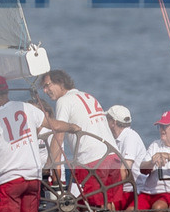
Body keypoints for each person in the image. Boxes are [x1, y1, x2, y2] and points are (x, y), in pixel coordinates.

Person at [0, 75, 80, 212]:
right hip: (32, 178)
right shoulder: (27, 108)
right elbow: (53, 124)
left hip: (9, 181)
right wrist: (72, 127)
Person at [40, 69, 115, 205]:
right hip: (113, 156)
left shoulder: (63, 101)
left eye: (47, 85)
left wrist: (48, 166)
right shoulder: (88, 96)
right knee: (109, 203)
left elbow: (59, 135)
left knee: (94, 205)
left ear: (60, 82)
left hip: (92, 160)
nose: (45, 91)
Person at [104, 105, 149, 210]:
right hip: (124, 189)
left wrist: (106, 191)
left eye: (107, 119)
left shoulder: (130, 137)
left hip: (133, 191)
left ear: (113, 122)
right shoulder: (116, 139)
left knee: (103, 204)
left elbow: (124, 171)